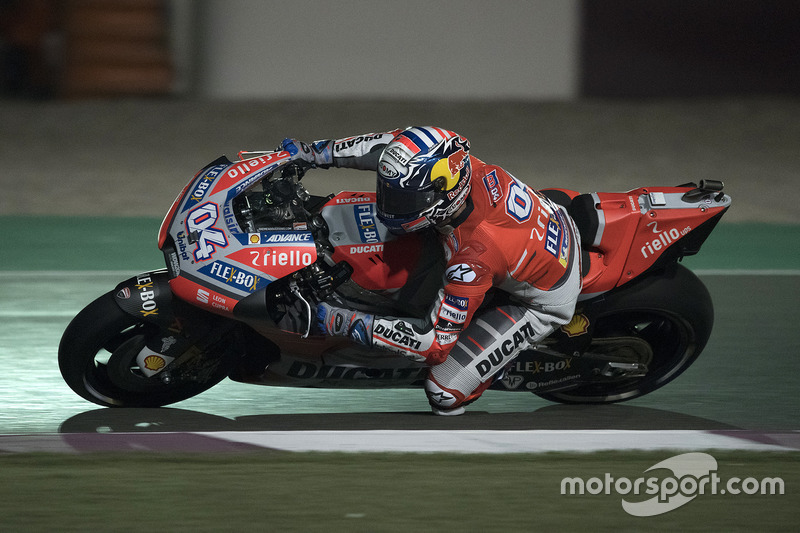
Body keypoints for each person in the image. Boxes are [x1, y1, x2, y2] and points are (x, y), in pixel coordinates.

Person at [280, 127, 582, 415]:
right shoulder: (448, 158)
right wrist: (314, 153)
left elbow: (434, 345)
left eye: (405, 199)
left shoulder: (472, 259)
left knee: (444, 393)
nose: (390, 206)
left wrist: (342, 321)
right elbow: (386, 146)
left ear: (445, 193)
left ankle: (499, 356)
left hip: (542, 298)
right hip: (541, 224)